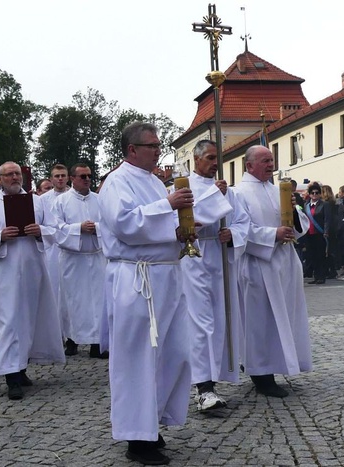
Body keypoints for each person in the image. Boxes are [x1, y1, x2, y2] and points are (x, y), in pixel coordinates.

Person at [99, 122, 194, 465]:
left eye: (158, 145)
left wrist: (181, 232)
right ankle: (136, 439)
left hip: (166, 277)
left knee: (174, 352)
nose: (158, 150)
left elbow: (160, 225)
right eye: (151, 145)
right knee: (138, 358)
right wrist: (167, 206)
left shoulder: (154, 182)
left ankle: (151, 422)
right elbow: (125, 225)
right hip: (136, 280)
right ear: (131, 150)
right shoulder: (116, 182)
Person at [0, 161, 65, 400]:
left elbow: (55, 229)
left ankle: (22, 366)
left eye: (17, 174)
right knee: (10, 320)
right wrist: (0, 237)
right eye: (9, 174)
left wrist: (41, 232)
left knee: (30, 318)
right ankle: (10, 375)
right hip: (5, 270)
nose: (14, 177)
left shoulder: (37, 202)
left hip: (33, 268)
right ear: (0, 178)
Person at [235, 145, 312, 399]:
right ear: (249, 166)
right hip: (260, 264)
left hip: (285, 262)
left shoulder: (277, 189)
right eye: (265, 160)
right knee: (260, 322)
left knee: (285, 317)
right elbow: (240, 230)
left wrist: (294, 210)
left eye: (272, 160)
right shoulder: (239, 194)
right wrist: (273, 234)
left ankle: (282, 364)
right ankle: (261, 374)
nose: (271, 164)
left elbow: (300, 226)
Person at [179, 140, 248, 412]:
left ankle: (218, 377)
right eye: (209, 158)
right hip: (195, 256)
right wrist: (213, 197)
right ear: (196, 160)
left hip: (221, 258)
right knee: (200, 321)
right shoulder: (183, 187)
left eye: (216, 158)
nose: (214, 163)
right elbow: (187, 220)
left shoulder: (228, 191)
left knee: (222, 319)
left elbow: (244, 221)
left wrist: (234, 234)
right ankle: (203, 387)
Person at [52, 163, 108, 359]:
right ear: (72, 179)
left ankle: (97, 342)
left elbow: (110, 224)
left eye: (89, 176)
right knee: (73, 301)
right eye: (82, 176)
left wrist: (98, 228)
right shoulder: (61, 202)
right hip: (73, 259)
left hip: (96, 255)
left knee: (99, 301)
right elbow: (55, 229)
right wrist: (78, 228)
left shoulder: (100, 200)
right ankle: (72, 339)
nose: (87, 180)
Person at [39, 164, 72, 353]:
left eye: (63, 175)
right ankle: (56, 334)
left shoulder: (73, 197)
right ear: (51, 179)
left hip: (70, 248)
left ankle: (71, 333)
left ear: (68, 177)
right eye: (56, 176)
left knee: (68, 294)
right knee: (53, 292)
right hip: (50, 251)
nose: (60, 179)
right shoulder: (42, 200)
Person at [304, 183, 330, 284]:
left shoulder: (324, 204)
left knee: (320, 256)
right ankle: (315, 276)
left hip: (320, 233)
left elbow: (327, 219)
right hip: (309, 234)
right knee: (312, 256)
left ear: (320, 194)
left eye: (317, 193)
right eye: (312, 193)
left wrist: (326, 231)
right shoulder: (306, 205)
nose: (314, 194)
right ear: (309, 194)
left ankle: (321, 276)